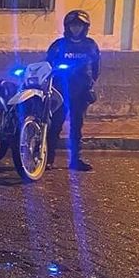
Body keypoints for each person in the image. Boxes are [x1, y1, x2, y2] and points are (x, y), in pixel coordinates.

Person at [47, 9, 101, 171]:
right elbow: (48, 64)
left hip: (81, 93)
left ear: (85, 28)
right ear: (67, 27)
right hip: (60, 92)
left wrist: (89, 83)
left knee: (76, 127)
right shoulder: (58, 45)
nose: (76, 28)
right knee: (54, 125)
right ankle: (47, 159)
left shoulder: (90, 45)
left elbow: (96, 68)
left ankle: (75, 160)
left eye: (79, 26)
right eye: (73, 25)